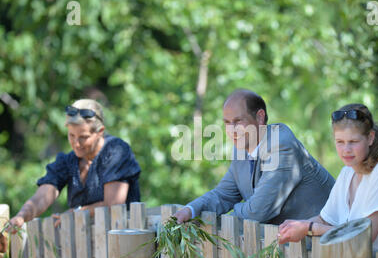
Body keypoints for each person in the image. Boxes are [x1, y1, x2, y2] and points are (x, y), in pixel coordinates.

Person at [174, 89, 335, 225]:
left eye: (238, 121)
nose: (232, 130)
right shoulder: (242, 150)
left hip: (319, 246)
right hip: (283, 250)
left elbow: (257, 212)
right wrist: (191, 210)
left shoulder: (282, 146)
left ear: (259, 117)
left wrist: (218, 220)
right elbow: (224, 195)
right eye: (227, 123)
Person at [278, 104, 378, 252]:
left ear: (370, 138)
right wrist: (295, 226)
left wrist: (309, 228)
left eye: (353, 142)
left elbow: (364, 237)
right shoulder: (347, 172)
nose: (346, 150)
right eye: (340, 142)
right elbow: (325, 219)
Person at [6, 99, 141, 233]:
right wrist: (21, 216)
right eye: (71, 135)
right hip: (84, 246)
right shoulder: (68, 161)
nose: (76, 143)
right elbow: (43, 196)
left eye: (83, 137)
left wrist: (77, 212)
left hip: (122, 242)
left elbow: (113, 204)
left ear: (100, 131)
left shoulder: (116, 150)